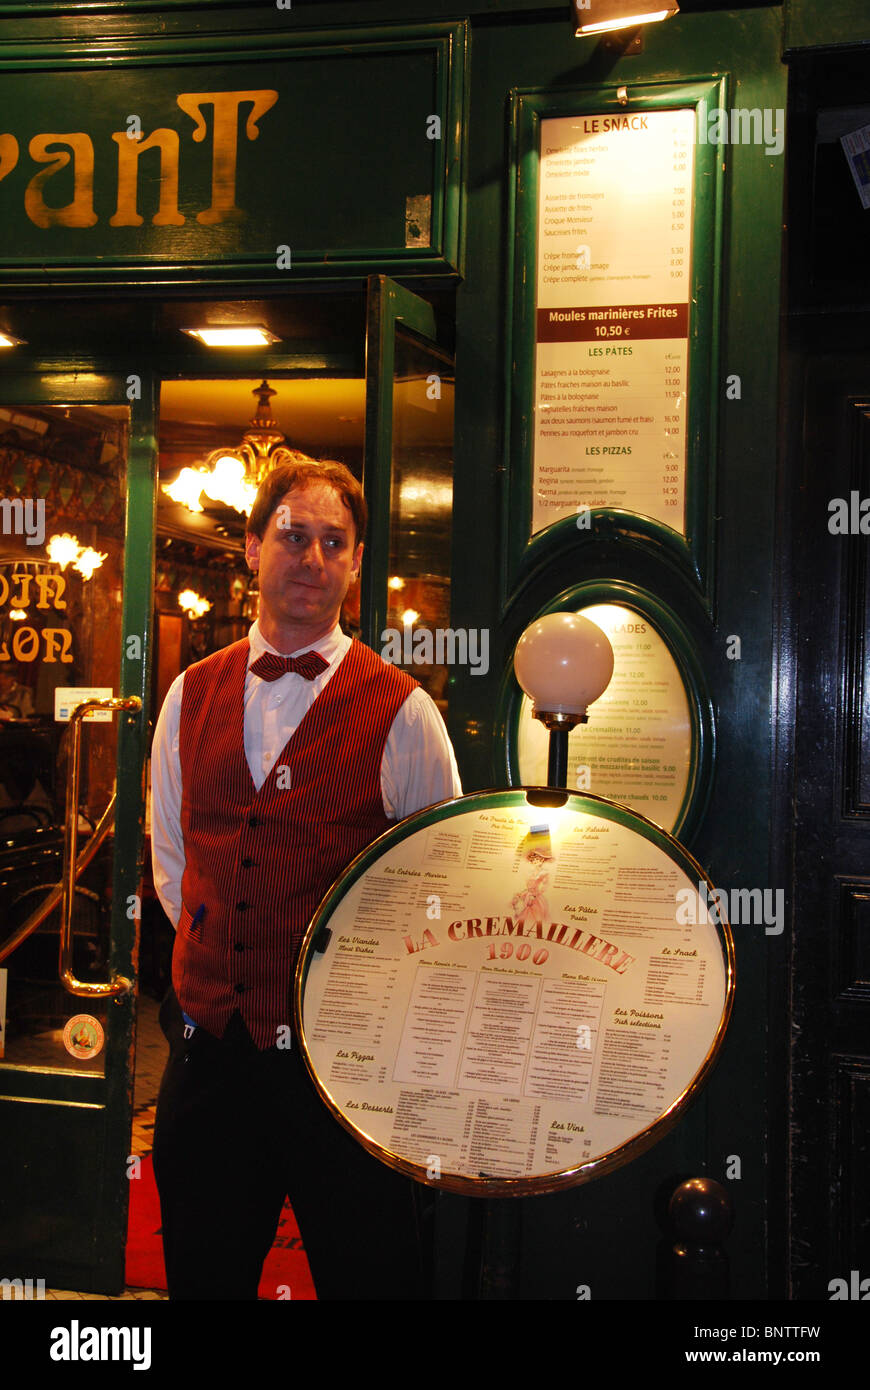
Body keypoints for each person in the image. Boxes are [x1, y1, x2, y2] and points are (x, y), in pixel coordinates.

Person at [149, 458, 462, 1300]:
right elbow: (177, 868)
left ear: (356, 564)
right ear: (252, 548)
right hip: (209, 1057)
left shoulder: (402, 711)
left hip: (347, 1069)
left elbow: (444, 887)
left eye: (333, 542)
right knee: (203, 1278)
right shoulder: (188, 694)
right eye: (292, 536)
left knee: (372, 1279)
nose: (311, 557)